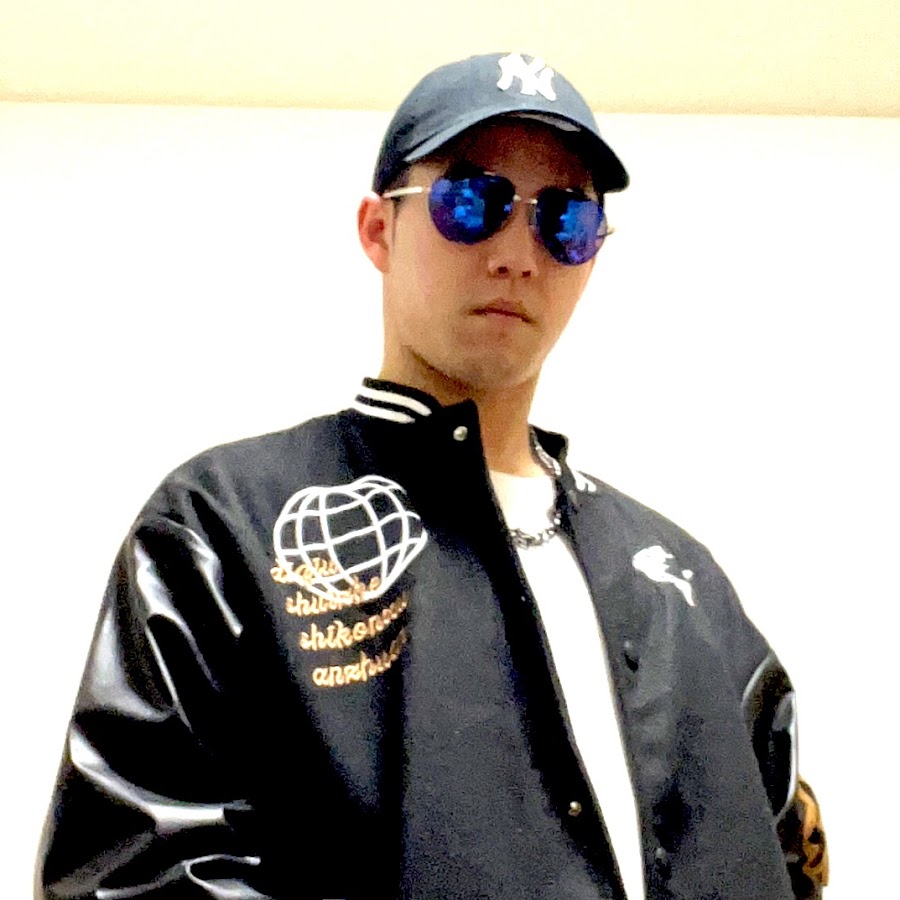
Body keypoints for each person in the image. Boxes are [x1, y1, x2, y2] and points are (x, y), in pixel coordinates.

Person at [36, 52, 827, 900]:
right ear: (378, 230)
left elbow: (791, 856)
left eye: (564, 219)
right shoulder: (228, 525)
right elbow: (126, 872)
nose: (517, 254)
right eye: (471, 202)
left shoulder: (682, 583)